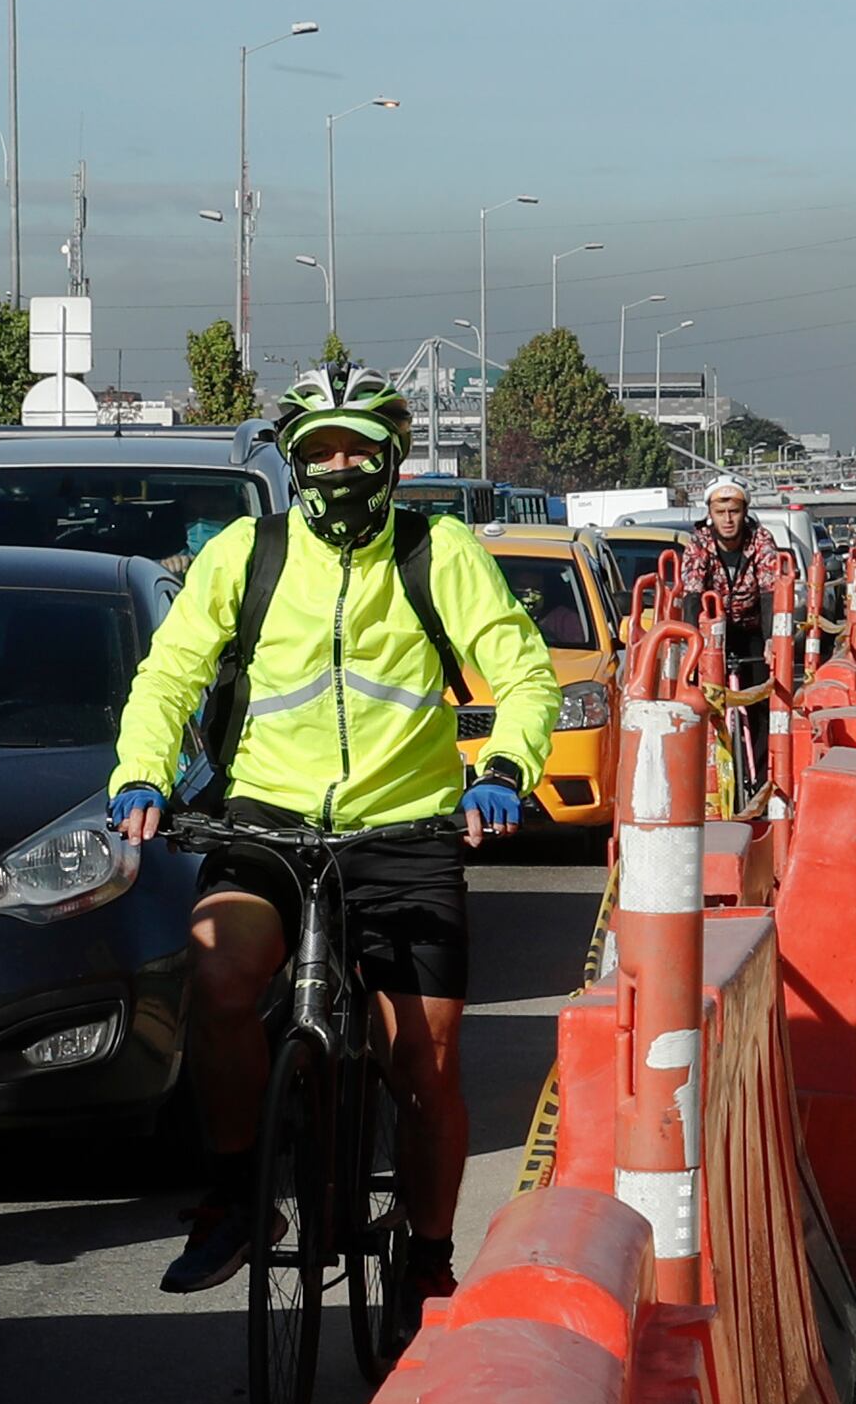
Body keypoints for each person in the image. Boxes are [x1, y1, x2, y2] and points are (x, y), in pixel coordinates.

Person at [106, 371, 558, 1297]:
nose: (338, 465)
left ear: (389, 458)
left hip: (406, 826)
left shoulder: (441, 551)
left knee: (424, 1063)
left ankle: (428, 1261)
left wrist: (506, 770)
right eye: (319, 449)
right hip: (266, 819)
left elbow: (525, 673)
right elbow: (169, 675)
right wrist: (142, 770)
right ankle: (238, 1195)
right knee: (221, 977)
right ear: (295, 459)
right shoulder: (249, 552)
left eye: (355, 448)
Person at [686, 474, 782, 795]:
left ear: (745, 512)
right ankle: (706, 778)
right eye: (720, 511)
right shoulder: (699, 542)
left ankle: (760, 782)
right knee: (703, 702)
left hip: (752, 626)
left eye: (735, 511)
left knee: (759, 701)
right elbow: (691, 593)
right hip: (713, 630)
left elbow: (771, 590)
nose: (728, 520)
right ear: (709, 514)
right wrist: (692, 647)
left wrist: (771, 639)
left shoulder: (761, 540)